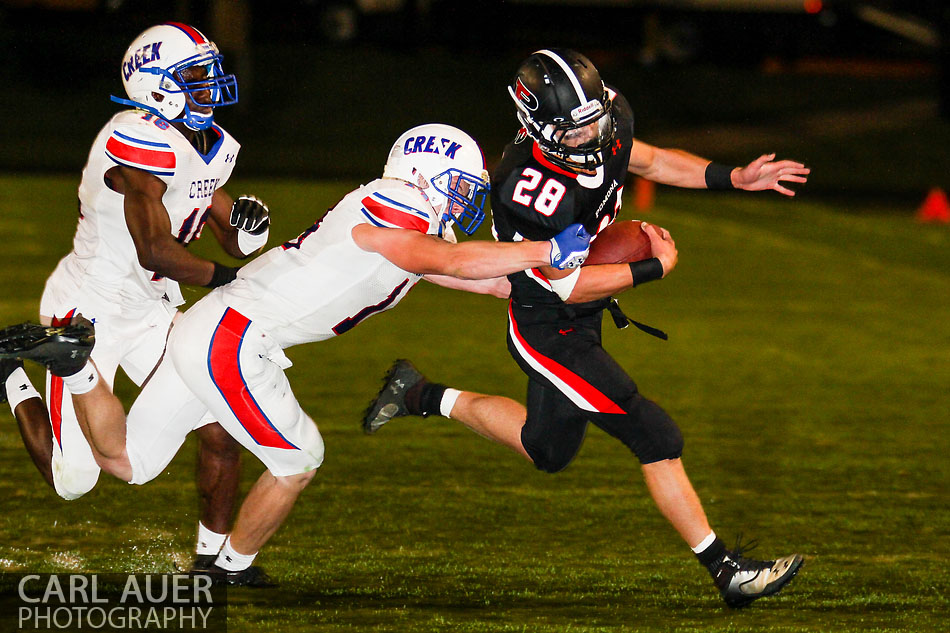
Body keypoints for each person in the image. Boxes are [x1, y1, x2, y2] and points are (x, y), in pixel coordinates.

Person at [0, 123, 593, 585]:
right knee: (299, 458)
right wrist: (544, 247)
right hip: (233, 339)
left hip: (210, 330)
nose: (468, 200)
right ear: (424, 174)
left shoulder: (406, 231)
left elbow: (480, 279)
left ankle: (77, 368)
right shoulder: (395, 202)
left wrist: (582, 280)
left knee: (127, 464)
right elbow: (457, 262)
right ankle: (229, 568)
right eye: (463, 185)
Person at [362, 49, 809, 608]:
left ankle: (420, 394)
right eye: (576, 131)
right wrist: (651, 268)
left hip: (581, 310)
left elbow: (646, 161)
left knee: (546, 450)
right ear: (537, 128)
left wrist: (731, 177)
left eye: (596, 120)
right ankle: (727, 571)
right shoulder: (524, 187)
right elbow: (566, 288)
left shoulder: (607, 120)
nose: (593, 136)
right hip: (549, 329)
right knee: (655, 435)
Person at [0, 23, 271, 570]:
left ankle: (211, 560)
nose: (211, 86)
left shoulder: (209, 143)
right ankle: (8, 370)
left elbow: (218, 219)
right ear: (155, 86)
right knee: (74, 480)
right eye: (196, 76)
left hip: (152, 309)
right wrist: (227, 279)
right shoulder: (134, 136)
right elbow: (156, 250)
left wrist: (247, 230)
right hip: (85, 311)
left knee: (222, 422)